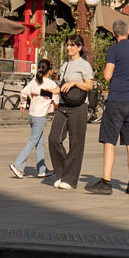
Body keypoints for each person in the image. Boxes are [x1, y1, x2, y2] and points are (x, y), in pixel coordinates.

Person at [87, 23, 129, 195]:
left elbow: (107, 75)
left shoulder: (114, 50)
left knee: (109, 141)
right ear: (128, 32)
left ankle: (106, 182)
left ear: (114, 34)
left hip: (117, 100)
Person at [48, 35, 93, 191]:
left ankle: (70, 179)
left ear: (79, 47)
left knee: (76, 143)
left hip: (79, 107)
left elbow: (90, 86)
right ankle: (61, 173)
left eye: (72, 45)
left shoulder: (84, 65)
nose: (69, 48)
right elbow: (62, 86)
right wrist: (53, 90)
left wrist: (75, 82)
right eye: (68, 45)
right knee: (54, 138)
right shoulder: (65, 65)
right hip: (63, 105)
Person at [10, 59, 58, 178]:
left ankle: (42, 169)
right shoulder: (51, 84)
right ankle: (18, 165)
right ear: (49, 70)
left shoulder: (35, 81)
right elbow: (56, 101)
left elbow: (23, 92)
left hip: (32, 115)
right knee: (33, 141)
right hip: (40, 117)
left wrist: (22, 104)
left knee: (39, 142)